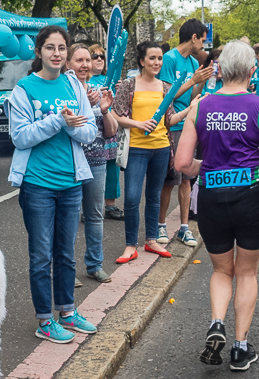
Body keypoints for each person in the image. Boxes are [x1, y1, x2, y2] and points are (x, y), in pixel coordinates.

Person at [175, 41, 259, 371]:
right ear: (253, 71)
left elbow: (182, 162)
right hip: (251, 195)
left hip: (211, 196)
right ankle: (240, 346)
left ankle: (216, 324)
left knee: (222, 270)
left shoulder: (201, 106)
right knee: (247, 271)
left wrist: (206, 169)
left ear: (219, 70)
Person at [8, 26, 100, 343]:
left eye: (62, 48)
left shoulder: (74, 84)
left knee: (66, 253)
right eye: (50, 48)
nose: (57, 54)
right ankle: (45, 320)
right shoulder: (23, 90)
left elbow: (89, 133)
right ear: (39, 52)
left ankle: (68, 311)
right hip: (37, 185)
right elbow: (20, 137)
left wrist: (72, 126)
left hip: (71, 182)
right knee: (40, 256)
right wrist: (58, 120)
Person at [112, 41, 191, 263]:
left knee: (154, 197)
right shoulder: (129, 85)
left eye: (159, 59)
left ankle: (151, 240)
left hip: (162, 148)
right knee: (132, 198)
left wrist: (190, 108)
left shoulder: (166, 87)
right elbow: (115, 115)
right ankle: (130, 245)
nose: (157, 62)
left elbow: (170, 120)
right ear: (142, 61)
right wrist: (138, 124)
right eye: (152, 58)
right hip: (136, 149)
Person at [157, 19, 212, 248]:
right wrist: (192, 80)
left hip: (188, 123)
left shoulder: (191, 61)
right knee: (170, 180)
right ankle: (160, 225)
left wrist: (201, 82)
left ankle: (183, 227)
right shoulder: (169, 59)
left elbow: (189, 97)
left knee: (187, 178)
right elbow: (167, 95)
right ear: (193, 37)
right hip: (172, 125)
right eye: (203, 39)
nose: (204, 44)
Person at [67, 44, 119, 283]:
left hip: (96, 161)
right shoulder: (63, 91)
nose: (85, 65)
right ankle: (67, 268)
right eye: (79, 60)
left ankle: (94, 265)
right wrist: (83, 104)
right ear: (68, 64)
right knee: (68, 216)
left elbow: (111, 132)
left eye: (88, 60)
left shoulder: (99, 90)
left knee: (95, 215)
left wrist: (105, 110)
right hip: (69, 161)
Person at [90, 42, 124, 220]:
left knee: (112, 168)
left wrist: (119, 90)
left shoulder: (111, 80)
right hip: (92, 133)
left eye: (102, 56)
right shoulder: (84, 80)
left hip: (110, 127)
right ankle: (88, 207)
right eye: (95, 56)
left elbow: (119, 107)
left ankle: (110, 206)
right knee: (91, 170)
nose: (99, 59)